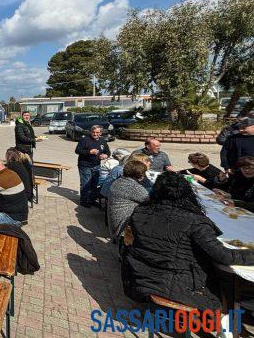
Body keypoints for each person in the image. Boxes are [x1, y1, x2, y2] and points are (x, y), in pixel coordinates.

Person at [122, 172, 254, 311]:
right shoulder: (195, 221)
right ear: (187, 193)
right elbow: (224, 256)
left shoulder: (140, 211)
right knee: (225, 285)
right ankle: (226, 322)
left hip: (137, 275)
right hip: (178, 285)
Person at [107, 160, 150, 240]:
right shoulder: (133, 187)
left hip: (115, 225)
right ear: (140, 175)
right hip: (122, 228)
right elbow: (150, 201)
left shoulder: (119, 181)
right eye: (144, 173)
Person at [75, 125, 111, 207]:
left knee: (95, 184)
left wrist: (105, 156)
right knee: (86, 184)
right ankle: (84, 201)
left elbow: (108, 152)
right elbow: (77, 150)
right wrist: (89, 152)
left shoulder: (102, 141)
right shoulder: (85, 139)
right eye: (93, 132)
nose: (95, 134)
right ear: (91, 132)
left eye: (97, 132)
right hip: (85, 165)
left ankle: (92, 200)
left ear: (100, 133)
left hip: (97, 165)